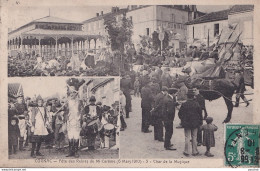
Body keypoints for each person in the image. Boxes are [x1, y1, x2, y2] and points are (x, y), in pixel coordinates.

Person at [178, 89, 203, 156]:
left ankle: (186, 151)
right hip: (195, 124)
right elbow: (200, 114)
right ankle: (195, 151)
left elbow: (180, 114)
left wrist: (183, 120)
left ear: (187, 97)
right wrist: (200, 122)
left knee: (187, 137)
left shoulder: (184, 104)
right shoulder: (196, 104)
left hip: (186, 124)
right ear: (193, 96)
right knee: (194, 137)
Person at [65, 78, 85, 157]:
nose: (72, 94)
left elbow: (82, 111)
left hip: (77, 121)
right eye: (70, 93)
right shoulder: (67, 102)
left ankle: (76, 152)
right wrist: (66, 119)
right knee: (70, 137)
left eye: (73, 93)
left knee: (76, 136)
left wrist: (83, 120)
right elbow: (66, 112)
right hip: (70, 121)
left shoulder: (80, 102)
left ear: (76, 93)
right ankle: (71, 152)